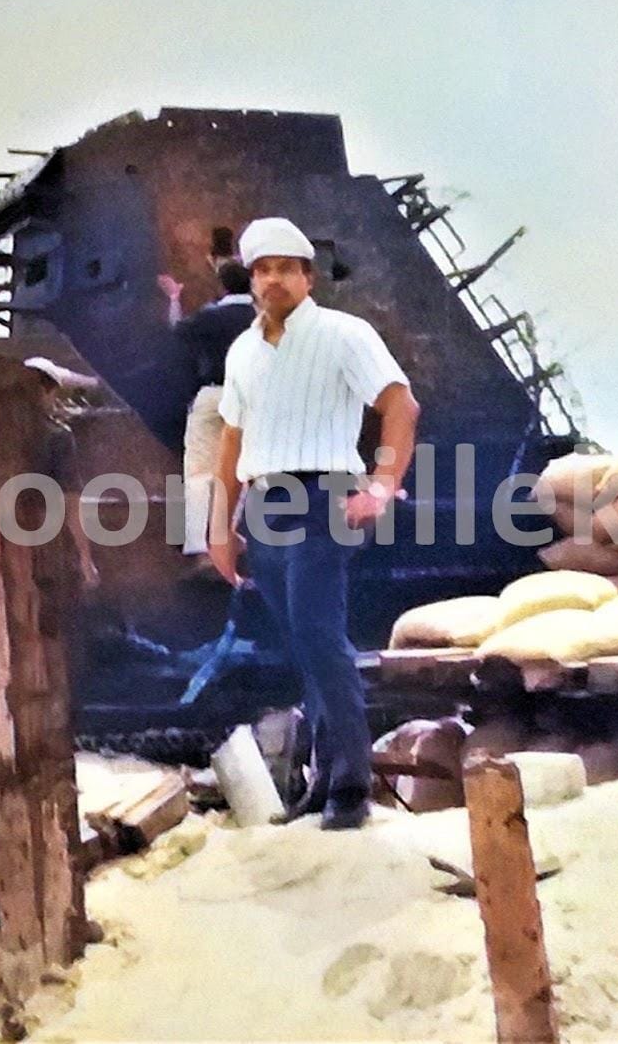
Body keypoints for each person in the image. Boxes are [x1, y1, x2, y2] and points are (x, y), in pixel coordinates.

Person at [209, 217, 420, 829]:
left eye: (285, 268)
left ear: (306, 277)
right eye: (262, 269)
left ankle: (352, 788)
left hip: (325, 497)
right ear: (250, 278)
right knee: (302, 645)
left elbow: (399, 404)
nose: (273, 279)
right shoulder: (243, 349)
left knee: (320, 635)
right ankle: (323, 779)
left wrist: (381, 486)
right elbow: (231, 438)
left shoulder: (343, 334)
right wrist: (220, 527)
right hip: (266, 502)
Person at [158, 259, 256, 556]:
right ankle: (228, 536)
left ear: (223, 285)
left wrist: (175, 298)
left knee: (200, 470)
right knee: (241, 470)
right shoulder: (263, 315)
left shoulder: (211, 315)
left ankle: (200, 546)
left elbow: (175, 331)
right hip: (250, 399)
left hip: (212, 393)